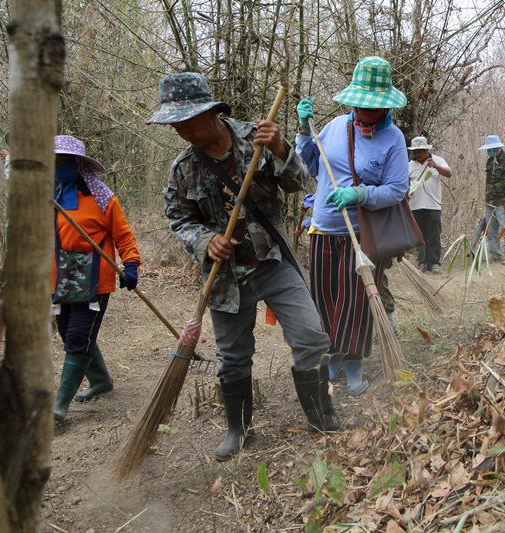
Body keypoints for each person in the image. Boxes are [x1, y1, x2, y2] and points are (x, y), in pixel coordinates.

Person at [148, 72, 340, 462]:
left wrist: (283, 148)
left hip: (273, 261)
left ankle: (322, 417)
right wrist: (204, 241)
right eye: (175, 125)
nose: (182, 131)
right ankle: (239, 429)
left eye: (187, 121)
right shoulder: (183, 168)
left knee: (311, 337)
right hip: (225, 278)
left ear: (212, 112)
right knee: (233, 357)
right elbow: (178, 219)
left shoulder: (257, 137)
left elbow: (303, 183)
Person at [295, 56, 408, 395]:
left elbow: (397, 189)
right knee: (325, 299)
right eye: (358, 105)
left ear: (385, 107)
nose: (363, 113)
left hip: (362, 234)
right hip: (323, 230)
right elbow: (311, 165)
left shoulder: (394, 139)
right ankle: (331, 361)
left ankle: (354, 364)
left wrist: (359, 193)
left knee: (356, 302)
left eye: (371, 107)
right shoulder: (332, 128)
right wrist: (304, 131)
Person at [51, 135, 141, 424]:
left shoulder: (102, 198)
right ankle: (101, 381)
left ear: (78, 164)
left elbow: (123, 234)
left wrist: (131, 265)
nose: (56, 167)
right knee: (68, 331)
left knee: (78, 335)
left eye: (62, 161)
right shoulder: (49, 195)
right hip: (61, 276)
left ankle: (58, 407)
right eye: (52, 162)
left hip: (94, 276)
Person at [407, 136, 452, 273]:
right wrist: (408, 192)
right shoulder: (409, 166)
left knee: (433, 235)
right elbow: (404, 184)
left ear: (427, 150)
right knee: (419, 236)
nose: (418, 153)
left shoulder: (437, 161)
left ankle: (434, 262)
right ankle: (422, 262)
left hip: (433, 205)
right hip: (415, 206)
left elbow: (449, 173)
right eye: (416, 151)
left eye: (421, 150)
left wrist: (436, 166)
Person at [479, 135, 505, 265]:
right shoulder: (490, 161)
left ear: (498, 148)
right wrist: (486, 200)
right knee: (491, 230)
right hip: (490, 201)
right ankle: (495, 254)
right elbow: (488, 182)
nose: (489, 151)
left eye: (492, 149)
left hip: (503, 201)